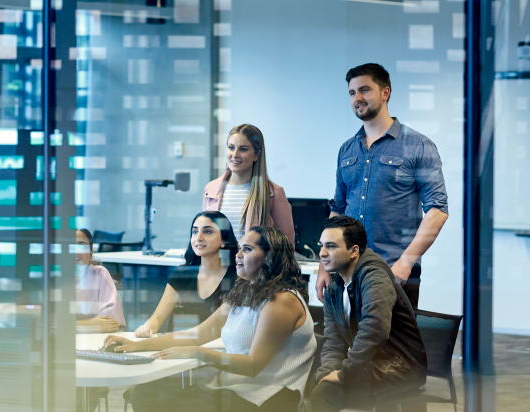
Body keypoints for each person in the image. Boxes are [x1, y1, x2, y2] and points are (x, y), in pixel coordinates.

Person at [106, 226, 315, 412]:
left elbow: (253, 365)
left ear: (270, 258)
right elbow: (198, 334)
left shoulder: (282, 300)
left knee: (160, 400)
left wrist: (199, 353)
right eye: (240, 248)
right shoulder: (246, 290)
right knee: (146, 392)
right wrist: (138, 346)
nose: (238, 255)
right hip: (232, 388)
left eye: (248, 250)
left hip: (266, 396)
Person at [315, 63, 449, 309]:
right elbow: (338, 210)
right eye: (352, 93)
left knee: (394, 347)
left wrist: (407, 262)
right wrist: (323, 265)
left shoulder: (418, 146)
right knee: (347, 344)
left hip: (395, 271)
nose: (357, 98)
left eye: (365, 90)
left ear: (385, 92)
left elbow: (437, 210)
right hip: (347, 271)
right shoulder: (347, 149)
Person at [308, 216, 427, 412]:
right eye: (321, 246)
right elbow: (333, 340)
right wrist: (327, 372)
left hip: (397, 367)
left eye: (331, 246)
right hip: (368, 363)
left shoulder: (374, 275)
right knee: (319, 384)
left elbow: (374, 329)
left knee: (326, 394)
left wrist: (344, 374)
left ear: (354, 250)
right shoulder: (334, 288)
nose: (322, 253)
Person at [134, 211, 239, 338]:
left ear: (224, 240)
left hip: (216, 351)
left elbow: (215, 331)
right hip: (177, 349)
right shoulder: (182, 274)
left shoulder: (238, 279)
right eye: (195, 232)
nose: (198, 238)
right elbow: (157, 319)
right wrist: (146, 328)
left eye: (207, 231)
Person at [203, 124, 295, 245]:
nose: (235, 154)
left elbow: (286, 245)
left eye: (243, 149)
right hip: (219, 263)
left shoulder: (274, 193)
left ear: (257, 155)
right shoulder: (211, 189)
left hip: (255, 264)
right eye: (231, 147)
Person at [74, 229, 125, 333]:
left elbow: (110, 323)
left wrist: (72, 326)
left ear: (91, 253)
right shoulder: (50, 278)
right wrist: (89, 325)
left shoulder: (100, 274)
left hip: (93, 342)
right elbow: (50, 325)